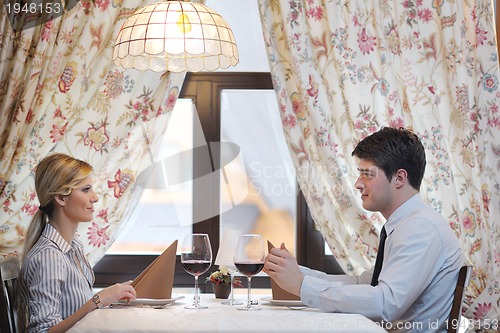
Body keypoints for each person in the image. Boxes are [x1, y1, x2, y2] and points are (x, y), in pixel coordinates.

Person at [264, 127, 463, 332]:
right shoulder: (407, 224)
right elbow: (365, 283)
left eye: (367, 174)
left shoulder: (422, 229)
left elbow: (385, 303)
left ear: (399, 178)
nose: (358, 184)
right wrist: (296, 275)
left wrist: (302, 285)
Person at [17, 153, 137, 333]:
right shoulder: (49, 257)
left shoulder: (73, 247)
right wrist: (97, 300)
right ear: (61, 198)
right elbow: (44, 331)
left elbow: (73, 310)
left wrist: (110, 296)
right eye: (86, 189)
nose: (95, 197)